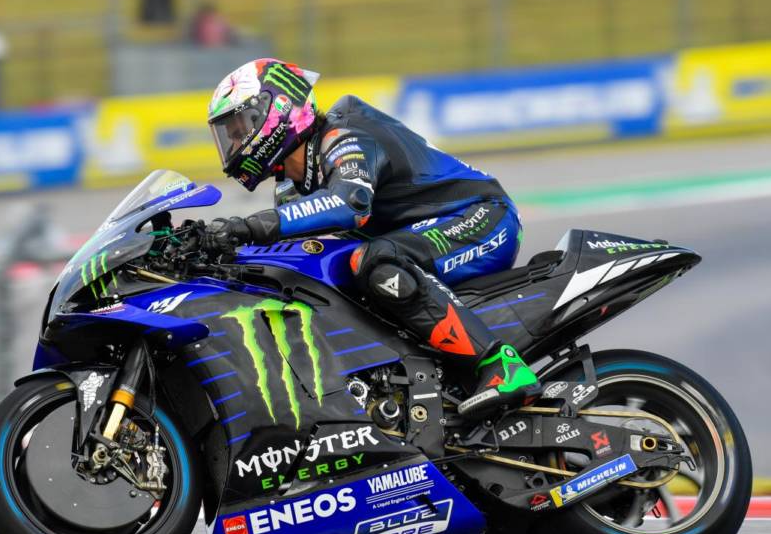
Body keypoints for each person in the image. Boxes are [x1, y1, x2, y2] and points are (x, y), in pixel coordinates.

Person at [205, 58, 542, 418]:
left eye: (239, 130)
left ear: (278, 111)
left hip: (484, 217)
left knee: (375, 262)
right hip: (422, 237)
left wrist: (247, 226)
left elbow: (350, 204)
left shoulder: (345, 138)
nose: (235, 142)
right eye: (230, 135)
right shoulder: (291, 188)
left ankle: (501, 365)